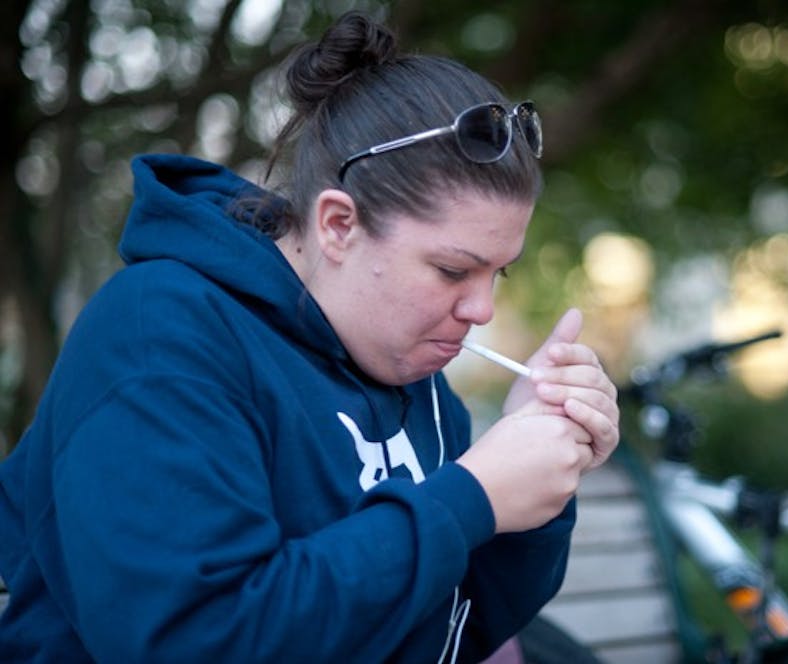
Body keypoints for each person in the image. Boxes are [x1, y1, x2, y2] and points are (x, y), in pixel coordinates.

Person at [0, 11, 619, 663]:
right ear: (338, 226)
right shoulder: (160, 337)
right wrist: (471, 498)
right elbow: (198, 638)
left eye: (499, 273)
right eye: (453, 270)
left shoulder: (411, 376)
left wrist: (539, 480)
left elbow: (461, 632)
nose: (482, 310)